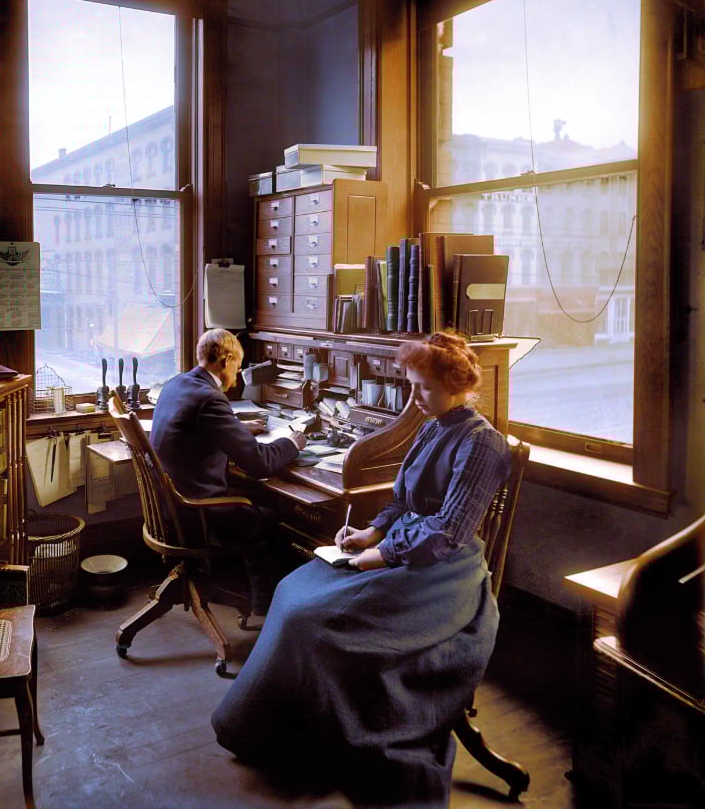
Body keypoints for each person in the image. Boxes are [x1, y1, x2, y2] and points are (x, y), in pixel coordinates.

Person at [211, 331, 512, 806]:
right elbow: (402, 500)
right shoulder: (432, 426)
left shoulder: (483, 444)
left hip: (444, 575)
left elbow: (449, 531)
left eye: (424, 388)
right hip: (403, 549)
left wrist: (383, 554)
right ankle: (281, 729)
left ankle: (323, 731)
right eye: (411, 385)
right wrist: (371, 533)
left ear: (459, 386)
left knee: (316, 619)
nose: (414, 398)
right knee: (292, 590)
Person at [150, 328, 306, 615]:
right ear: (226, 360)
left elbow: (196, 429)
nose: (237, 374)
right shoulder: (210, 399)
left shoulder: (178, 384)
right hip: (198, 509)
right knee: (278, 518)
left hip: (170, 504)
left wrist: (238, 430)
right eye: (238, 365)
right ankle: (266, 607)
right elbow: (260, 464)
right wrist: (291, 443)